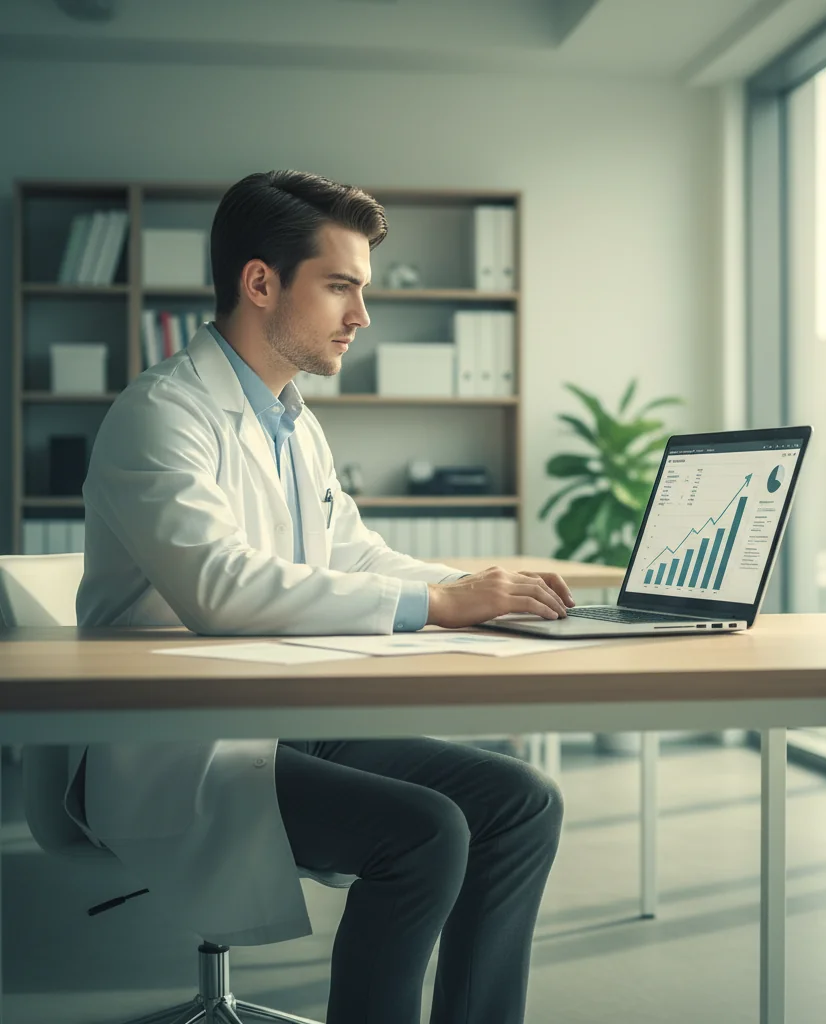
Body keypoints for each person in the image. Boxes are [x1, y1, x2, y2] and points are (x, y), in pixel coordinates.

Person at [71, 170, 572, 1024]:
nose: (362, 316)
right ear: (261, 282)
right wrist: (442, 607)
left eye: (363, 290)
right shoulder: (161, 414)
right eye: (341, 286)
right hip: (183, 735)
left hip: (288, 711)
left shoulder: (292, 420)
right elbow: (219, 588)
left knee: (523, 802)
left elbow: (355, 552)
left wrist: (468, 588)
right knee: (425, 832)